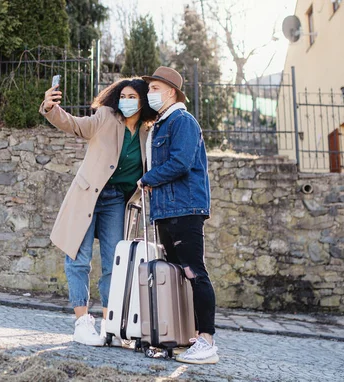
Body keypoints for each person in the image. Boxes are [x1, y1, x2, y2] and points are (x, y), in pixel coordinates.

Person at [40, 77, 157, 346]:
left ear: (142, 101)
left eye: (132, 97)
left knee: (113, 264)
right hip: (89, 195)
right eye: (123, 96)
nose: (126, 102)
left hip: (117, 201)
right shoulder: (105, 116)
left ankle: (110, 324)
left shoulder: (146, 133)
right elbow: (75, 125)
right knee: (78, 259)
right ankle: (82, 322)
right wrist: (50, 108)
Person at [137, 66, 219, 364]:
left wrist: (148, 179)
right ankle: (188, 336)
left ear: (171, 92)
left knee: (194, 272)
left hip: (185, 208)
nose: (150, 94)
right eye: (150, 89)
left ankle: (207, 341)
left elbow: (181, 162)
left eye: (155, 88)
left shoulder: (182, 121)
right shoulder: (161, 124)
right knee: (178, 275)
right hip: (166, 210)